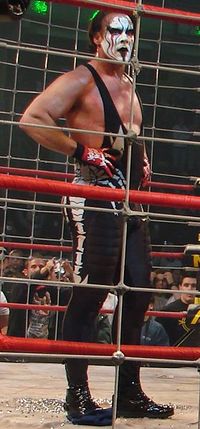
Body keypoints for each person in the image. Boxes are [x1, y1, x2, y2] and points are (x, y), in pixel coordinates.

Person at [19, 11, 174, 424]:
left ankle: (129, 393)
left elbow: (130, 137)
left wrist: (144, 163)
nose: (123, 37)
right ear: (95, 36)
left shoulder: (129, 82)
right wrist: (80, 150)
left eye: (129, 31)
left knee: (139, 294)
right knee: (89, 295)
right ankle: (78, 397)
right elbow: (33, 119)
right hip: (92, 197)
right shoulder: (81, 79)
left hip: (130, 201)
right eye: (114, 30)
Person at [157, 272, 197, 345]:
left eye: (193, 286)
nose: (190, 289)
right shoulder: (168, 310)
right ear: (180, 287)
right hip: (174, 352)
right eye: (186, 285)